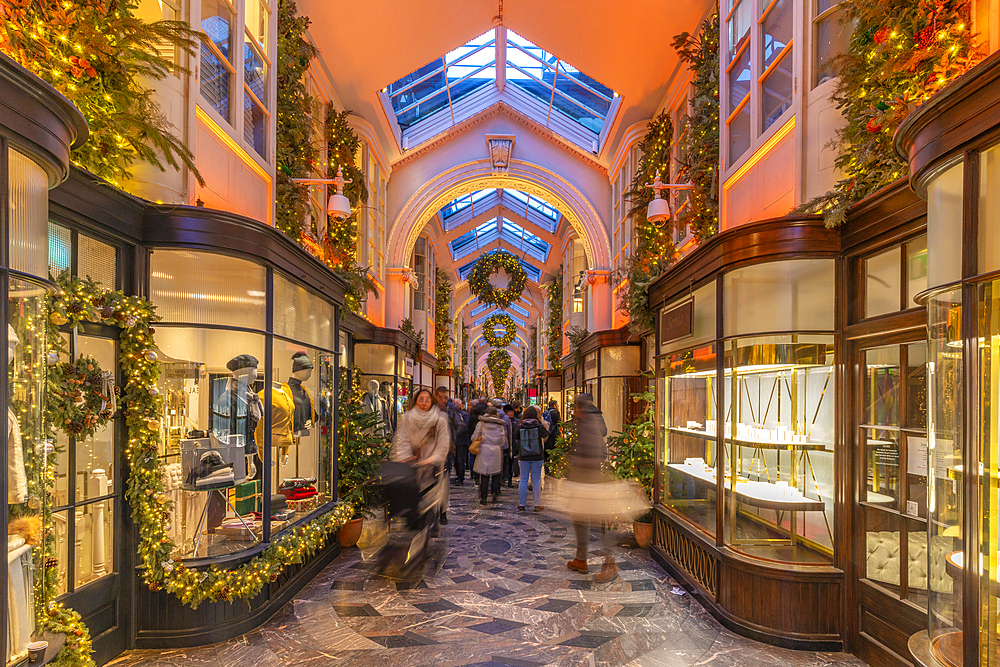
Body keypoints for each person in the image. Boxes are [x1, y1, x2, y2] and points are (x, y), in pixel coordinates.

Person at [566, 393, 617, 582]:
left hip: (589, 478)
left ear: (580, 407)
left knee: (596, 520)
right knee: (581, 519)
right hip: (586, 478)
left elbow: (597, 450)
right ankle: (581, 559)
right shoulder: (591, 420)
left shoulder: (589, 422)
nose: (574, 411)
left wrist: (576, 462)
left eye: (575, 407)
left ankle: (610, 563)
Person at [390, 388, 450, 532]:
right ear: (416, 401)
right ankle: (416, 521)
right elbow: (401, 439)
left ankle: (433, 519)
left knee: (432, 495)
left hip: (432, 467)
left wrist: (431, 460)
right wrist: (404, 457)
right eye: (421, 399)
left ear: (432, 402)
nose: (424, 403)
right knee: (414, 495)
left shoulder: (439, 420)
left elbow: (443, 444)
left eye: (427, 400)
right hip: (413, 465)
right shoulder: (407, 418)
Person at [514, 405, 549, 512]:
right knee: (536, 479)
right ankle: (537, 504)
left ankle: (521, 504)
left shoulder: (520, 425)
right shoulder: (538, 425)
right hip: (537, 455)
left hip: (523, 455)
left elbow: (516, 436)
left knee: (523, 479)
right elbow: (545, 434)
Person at [470, 406, 506, 504]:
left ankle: (484, 497)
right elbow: (503, 440)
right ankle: (494, 495)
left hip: (484, 449)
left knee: (484, 475)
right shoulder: (500, 425)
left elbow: (474, 437)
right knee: (495, 474)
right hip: (495, 450)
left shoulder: (481, 424)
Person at [466, 400, 488, 483]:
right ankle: (481, 473)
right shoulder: (484, 413)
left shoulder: (472, 413)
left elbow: (468, 423)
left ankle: (473, 473)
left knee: (473, 454)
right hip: (482, 437)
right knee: (481, 457)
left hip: (473, 436)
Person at [502, 404, 518, 487]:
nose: (511, 413)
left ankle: (509, 480)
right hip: (505, 445)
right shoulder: (503, 421)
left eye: (512, 412)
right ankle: (503, 479)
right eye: (509, 412)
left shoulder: (516, 421)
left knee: (511, 464)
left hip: (513, 446)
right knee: (504, 463)